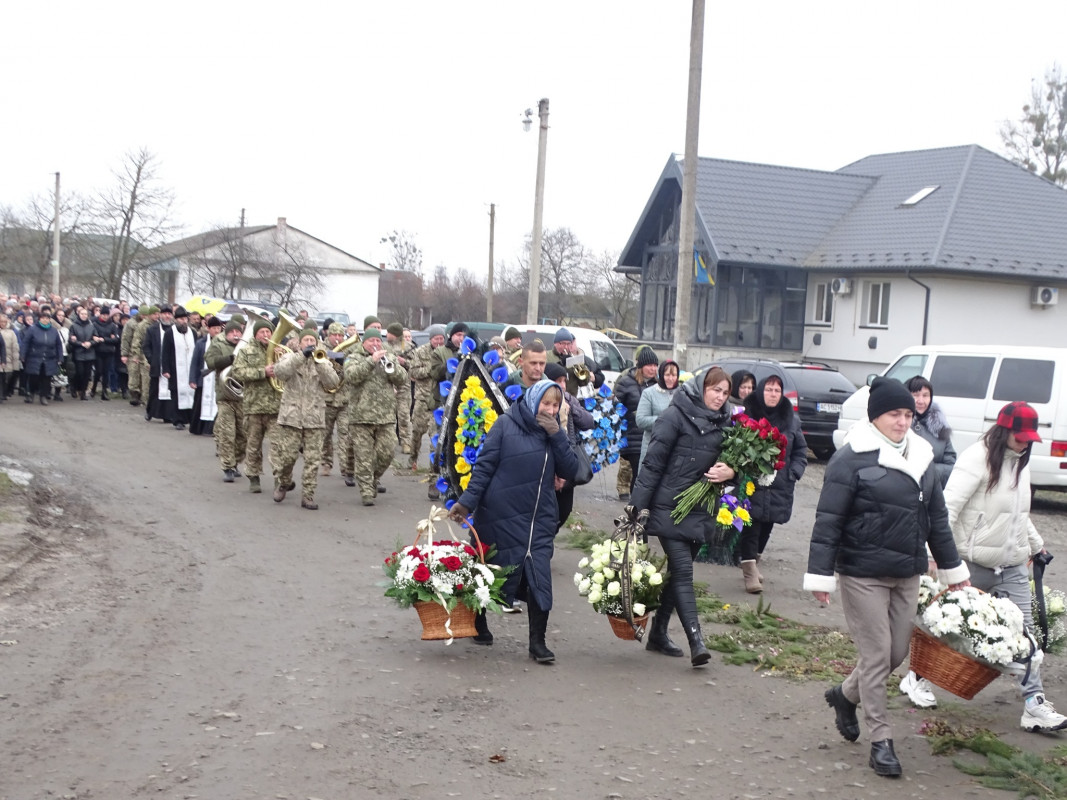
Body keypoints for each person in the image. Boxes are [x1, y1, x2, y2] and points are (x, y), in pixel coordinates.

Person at [805, 377, 970, 779]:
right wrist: (821, 576)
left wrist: (954, 572)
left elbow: (938, 523)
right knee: (878, 655)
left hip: (907, 572)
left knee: (896, 654)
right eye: (894, 414)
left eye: (908, 414)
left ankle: (845, 696)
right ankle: (882, 741)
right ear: (876, 416)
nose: (902, 421)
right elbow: (828, 522)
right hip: (862, 572)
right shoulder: (851, 459)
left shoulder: (924, 458)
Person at [942, 401, 1067, 732]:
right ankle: (917, 678)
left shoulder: (1019, 464)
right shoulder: (975, 459)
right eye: (1019, 436)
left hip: (1011, 565)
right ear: (1003, 431)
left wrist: (1037, 545)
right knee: (955, 631)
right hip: (973, 563)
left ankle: (1033, 705)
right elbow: (947, 508)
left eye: (1029, 438)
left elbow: (1017, 515)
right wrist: (936, 557)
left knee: (1025, 635)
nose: (1025, 443)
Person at [450, 378, 579, 662]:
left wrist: (558, 435)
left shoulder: (554, 432)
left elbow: (572, 469)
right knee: (493, 571)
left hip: (539, 518)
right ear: (534, 400)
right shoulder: (506, 425)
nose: (550, 409)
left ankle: (538, 644)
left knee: (540, 578)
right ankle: (479, 622)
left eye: (556, 405)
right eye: (546, 403)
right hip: (500, 513)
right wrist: (466, 503)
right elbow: (484, 467)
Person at [630, 366, 737, 667]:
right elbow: (651, 466)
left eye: (725, 392)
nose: (720, 397)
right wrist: (636, 513)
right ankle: (696, 640)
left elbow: (734, 463)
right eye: (715, 390)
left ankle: (658, 635)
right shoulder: (674, 417)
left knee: (678, 574)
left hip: (699, 509)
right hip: (668, 507)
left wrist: (731, 471)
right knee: (684, 573)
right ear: (702, 388)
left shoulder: (726, 423)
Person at [898, 374, 959, 707]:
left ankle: (917, 671)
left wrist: (930, 471)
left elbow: (951, 461)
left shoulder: (939, 426)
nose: (920, 400)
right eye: (915, 395)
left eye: (925, 395)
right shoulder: (902, 425)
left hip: (932, 494)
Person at [738, 372, 808, 593]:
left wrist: (793, 472)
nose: (773, 394)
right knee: (751, 524)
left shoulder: (791, 419)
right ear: (760, 391)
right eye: (768, 389)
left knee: (767, 524)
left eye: (777, 390)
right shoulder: (747, 415)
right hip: (752, 482)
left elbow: (800, 450)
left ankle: (754, 563)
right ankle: (749, 572)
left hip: (780, 482)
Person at [270, 326, 340, 509]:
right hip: (291, 416)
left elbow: (333, 382)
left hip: (314, 417)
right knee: (287, 457)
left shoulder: (323, 361)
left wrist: (321, 363)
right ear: (300, 343)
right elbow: (280, 372)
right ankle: (284, 482)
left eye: (312, 341)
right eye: (306, 340)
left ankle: (308, 495)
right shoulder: (289, 357)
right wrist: (301, 356)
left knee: (312, 460)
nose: (310, 343)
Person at [344, 327, 407, 506]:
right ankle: (366, 491)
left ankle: (371, 479)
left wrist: (391, 367)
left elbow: (402, 378)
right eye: (372, 341)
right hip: (361, 416)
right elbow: (351, 377)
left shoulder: (389, 356)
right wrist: (371, 361)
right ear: (364, 342)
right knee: (363, 457)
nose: (376, 344)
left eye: (378, 341)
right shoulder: (354, 357)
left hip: (385, 415)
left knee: (387, 452)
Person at [231, 318, 282, 494]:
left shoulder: (278, 350)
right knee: (253, 445)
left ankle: (279, 478)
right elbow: (237, 372)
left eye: (268, 332)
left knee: (277, 446)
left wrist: (281, 362)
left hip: (275, 406)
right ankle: (253, 477)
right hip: (254, 406)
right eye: (262, 332)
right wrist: (262, 372)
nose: (266, 335)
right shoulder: (246, 351)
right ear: (256, 334)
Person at [544, 361, 594, 533]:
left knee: (564, 510)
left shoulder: (569, 399)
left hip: (568, 458)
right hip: (549, 461)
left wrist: (571, 407)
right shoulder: (542, 401)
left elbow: (588, 422)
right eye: (558, 381)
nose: (562, 385)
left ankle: (548, 537)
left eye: (564, 381)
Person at [205, 319, 248, 482]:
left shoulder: (246, 345)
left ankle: (236, 462)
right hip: (225, 396)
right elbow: (210, 362)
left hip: (242, 397)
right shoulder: (218, 343)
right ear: (227, 333)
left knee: (243, 434)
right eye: (232, 332)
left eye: (238, 332)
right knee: (227, 433)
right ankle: (227, 467)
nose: (236, 335)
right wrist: (231, 359)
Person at [406, 324, 446, 488]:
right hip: (422, 399)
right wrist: (432, 369)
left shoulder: (445, 353)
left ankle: (434, 476)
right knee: (416, 432)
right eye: (436, 339)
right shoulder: (421, 351)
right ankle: (413, 457)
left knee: (434, 438)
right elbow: (413, 373)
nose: (439, 342)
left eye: (441, 339)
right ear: (431, 340)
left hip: (437, 401)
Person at [614, 347, 659, 494]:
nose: (653, 369)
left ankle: (637, 507)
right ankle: (635, 507)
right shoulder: (626, 382)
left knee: (645, 474)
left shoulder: (658, 385)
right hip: (632, 436)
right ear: (641, 366)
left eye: (655, 365)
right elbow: (615, 407)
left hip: (651, 437)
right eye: (649, 365)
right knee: (638, 472)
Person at [320, 323, 352, 479]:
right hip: (326, 399)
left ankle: (345, 467)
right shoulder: (321, 348)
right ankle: (326, 462)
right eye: (335, 335)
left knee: (345, 434)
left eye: (341, 335)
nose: (338, 339)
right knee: (325, 434)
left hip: (344, 399)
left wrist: (344, 362)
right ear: (329, 335)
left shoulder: (347, 349)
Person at [635, 359, 680, 470]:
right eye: (667, 375)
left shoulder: (682, 393)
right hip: (652, 447)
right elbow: (641, 420)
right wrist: (665, 421)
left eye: (674, 375)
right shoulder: (649, 393)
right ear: (661, 375)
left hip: (675, 450)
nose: (670, 379)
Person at [159, 306, 198, 430]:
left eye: (185, 319)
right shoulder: (170, 333)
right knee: (177, 395)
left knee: (191, 393)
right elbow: (165, 352)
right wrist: (165, 369)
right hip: (175, 370)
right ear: (176, 320)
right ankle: (178, 420)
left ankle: (190, 418)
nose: (184, 321)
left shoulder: (192, 333)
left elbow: (197, 352)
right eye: (181, 319)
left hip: (190, 369)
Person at [20, 305, 64, 405]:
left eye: (47, 318)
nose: (45, 320)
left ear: (50, 320)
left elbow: (58, 345)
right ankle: (31, 394)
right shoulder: (33, 329)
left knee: (46, 378)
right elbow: (26, 342)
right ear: (39, 319)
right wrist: (23, 355)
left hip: (49, 358)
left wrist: (60, 357)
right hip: (34, 357)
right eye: (43, 318)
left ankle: (43, 396)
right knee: (34, 378)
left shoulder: (53, 331)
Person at [188, 315, 223, 436]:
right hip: (203, 379)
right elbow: (195, 362)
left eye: (219, 328)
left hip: (218, 379)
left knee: (216, 404)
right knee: (200, 404)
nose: (217, 331)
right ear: (208, 328)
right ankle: (198, 428)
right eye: (214, 328)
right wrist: (192, 379)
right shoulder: (201, 343)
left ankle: (212, 429)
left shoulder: (224, 343)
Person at [545, 327, 603, 398]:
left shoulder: (575, 358)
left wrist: (582, 372)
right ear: (556, 343)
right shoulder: (547, 356)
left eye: (568, 344)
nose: (566, 347)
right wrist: (562, 364)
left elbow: (584, 382)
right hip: (552, 396)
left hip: (571, 398)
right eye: (563, 343)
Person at [91, 305, 120, 400]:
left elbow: (116, 340)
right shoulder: (95, 324)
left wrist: (103, 339)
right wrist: (108, 338)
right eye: (103, 314)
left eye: (107, 315)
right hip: (98, 351)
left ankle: (104, 391)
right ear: (100, 315)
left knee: (106, 372)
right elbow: (95, 336)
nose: (105, 316)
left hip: (109, 352)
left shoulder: (112, 325)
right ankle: (94, 388)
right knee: (99, 371)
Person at [68, 305, 97, 401]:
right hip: (79, 352)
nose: (84, 316)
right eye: (82, 314)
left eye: (86, 314)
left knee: (87, 374)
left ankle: (83, 392)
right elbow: (71, 340)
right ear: (78, 314)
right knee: (79, 373)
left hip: (89, 353)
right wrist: (80, 344)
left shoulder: (91, 326)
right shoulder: (74, 326)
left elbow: (96, 338)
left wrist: (90, 343)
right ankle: (75, 387)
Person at [0, 313, 19, 401]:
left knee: (6, 378)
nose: (3, 323)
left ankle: (5, 392)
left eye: (5, 321)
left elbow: (15, 347)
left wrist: (16, 362)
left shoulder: (11, 332)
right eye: (1, 321)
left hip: (8, 358)